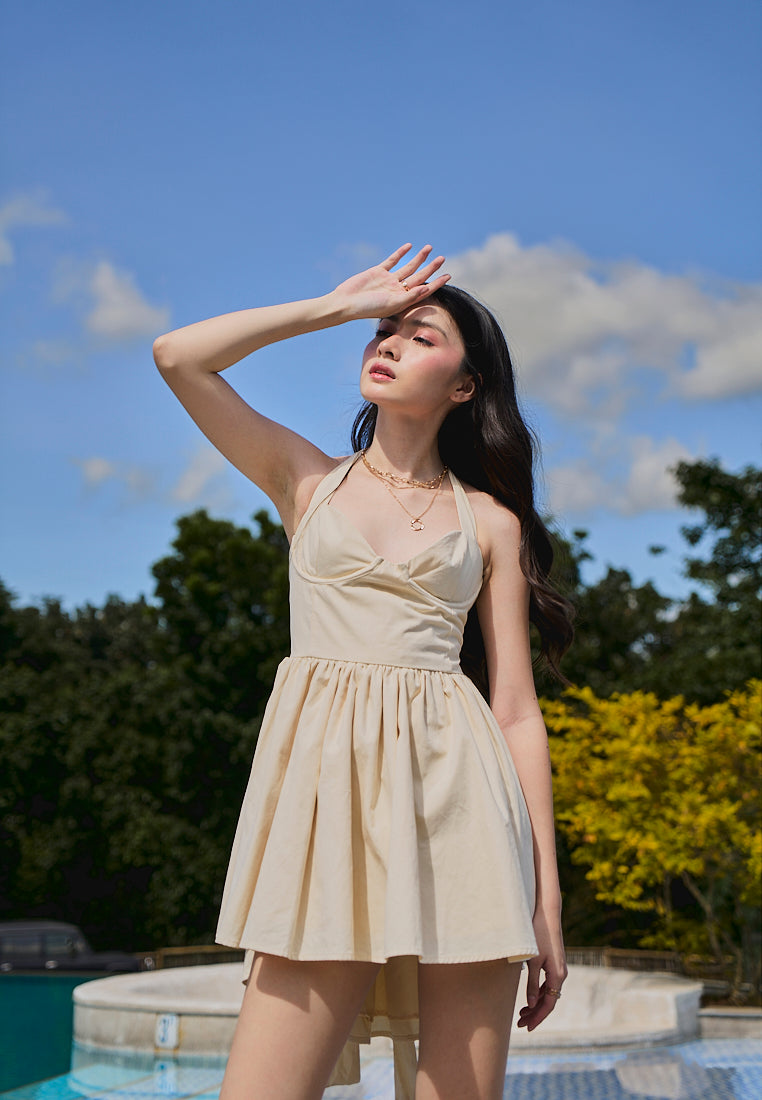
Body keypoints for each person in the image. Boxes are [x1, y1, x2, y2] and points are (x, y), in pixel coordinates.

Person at [153, 243, 574, 1100]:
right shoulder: (306, 481)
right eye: (382, 331)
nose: (387, 341)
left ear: (466, 387)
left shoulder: (490, 523)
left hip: (465, 813)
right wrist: (334, 307)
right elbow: (178, 356)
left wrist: (545, 898)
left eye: (420, 336)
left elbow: (517, 711)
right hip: (325, 817)